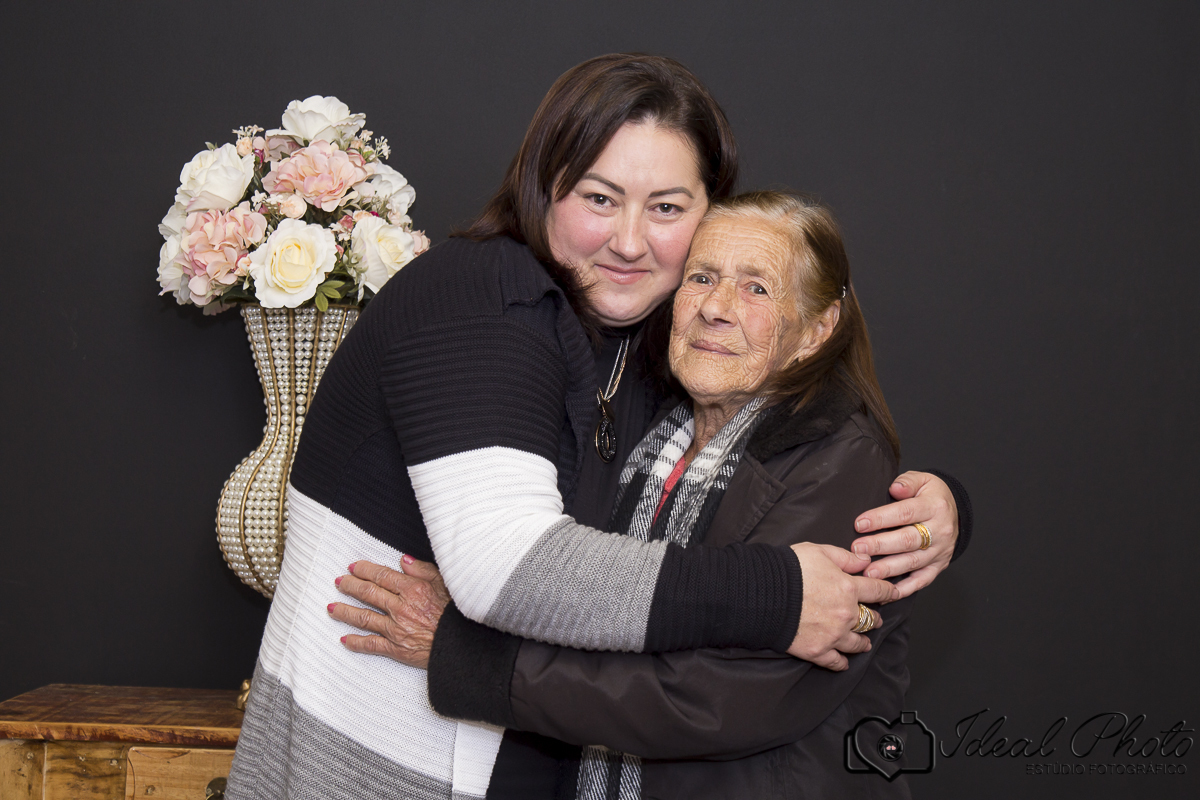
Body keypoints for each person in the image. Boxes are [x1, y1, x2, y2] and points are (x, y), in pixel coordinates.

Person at [227, 54, 970, 800]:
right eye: (600, 198)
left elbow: (819, 452)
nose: (629, 241)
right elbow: (507, 568)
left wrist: (943, 510)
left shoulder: (650, 347)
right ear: (543, 186)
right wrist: (777, 592)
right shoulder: (482, 300)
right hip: (374, 756)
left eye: (669, 209)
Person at [336, 192, 923, 799]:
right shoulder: (640, 428)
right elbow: (576, 596)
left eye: (757, 289)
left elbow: (711, 698)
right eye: (701, 277)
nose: (716, 309)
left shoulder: (845, 461)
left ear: (816, 330)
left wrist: (467, 656)